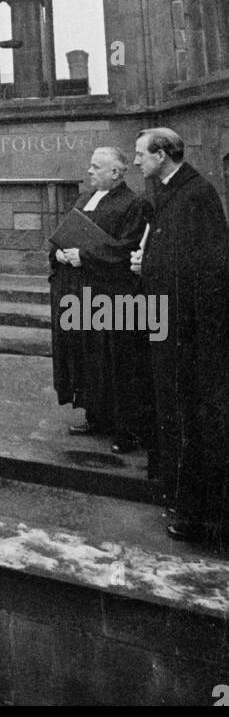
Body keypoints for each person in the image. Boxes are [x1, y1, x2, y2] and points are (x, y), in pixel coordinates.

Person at [131, 128, 229, 544]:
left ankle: (199, 515)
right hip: (168, 326)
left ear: (162, 155)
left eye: (141, 155)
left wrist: (148, 267)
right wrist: (146, 261)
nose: (137, 162)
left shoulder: (195, 195)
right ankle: (178, 496)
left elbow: (208, 268)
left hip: (188, 334)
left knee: (191, 417)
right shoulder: (168, 193)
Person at [49, 146, 152, 452]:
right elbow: (65, 233)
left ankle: (126, 429)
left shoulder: (134, 204)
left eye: (96, 167)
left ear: (116, 173)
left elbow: (127, 247)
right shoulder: (83, 198)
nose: (90, 172)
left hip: (111, 296)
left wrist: (84, 255)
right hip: (78, 293)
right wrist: (57, 251)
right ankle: (96, 416)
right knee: (86, 356)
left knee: (117, 361)